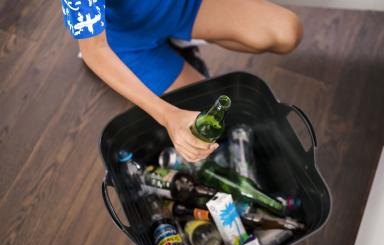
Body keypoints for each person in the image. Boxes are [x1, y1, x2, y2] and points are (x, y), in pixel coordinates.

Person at [61, 0, 302, 162]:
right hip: (129, 41)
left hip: (178, 7)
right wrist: (169, 115)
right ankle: (174, 50)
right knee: (213, 127)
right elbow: (95, 49)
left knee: (287, 32)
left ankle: (185, 40)